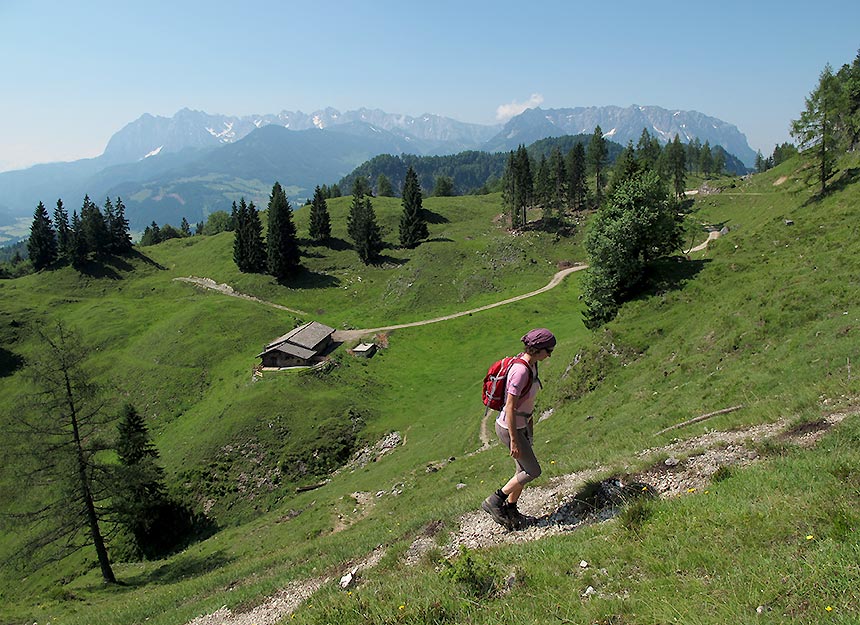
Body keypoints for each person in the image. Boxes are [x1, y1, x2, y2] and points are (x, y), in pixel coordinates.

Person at [482, 328, 556, 530]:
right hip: (510, 428)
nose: (549, 355)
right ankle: (495, 500)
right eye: (548, 350)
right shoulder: (521, 371)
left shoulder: (532, 366)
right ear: (538, 349)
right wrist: (514, 439)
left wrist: (528, 429)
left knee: (521, 470)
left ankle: (511, 509)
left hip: (522, 426)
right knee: (533, 471)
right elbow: (510, 406)